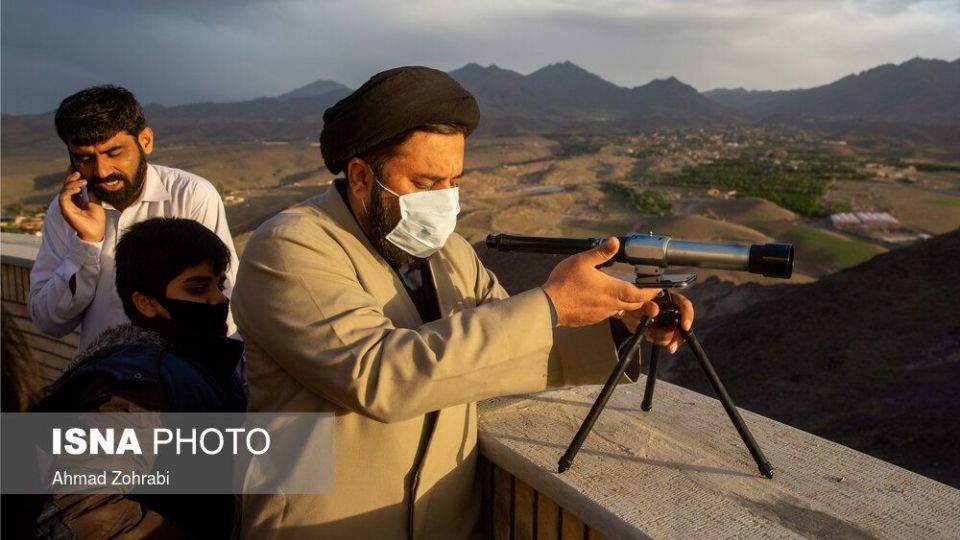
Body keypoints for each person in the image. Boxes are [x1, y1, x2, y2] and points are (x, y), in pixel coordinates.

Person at [233, 66, 693, 539]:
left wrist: (620, 323)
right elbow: (378, 377)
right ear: (361, 176)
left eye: (454, 180)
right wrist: (552, 303)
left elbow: (513, 348)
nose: (444, 200)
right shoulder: (290, 248)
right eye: (425, 182)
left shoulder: (450, 253)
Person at [33, 217, 246, 539]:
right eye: (197, 289)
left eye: (219, 284)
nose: (217, 300)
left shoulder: (188, 362)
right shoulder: (139, 385)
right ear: (147, 303)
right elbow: (80, 505)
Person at [29, 85, 239, 352]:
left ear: (146, 141)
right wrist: (87, 243)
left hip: (180, 370)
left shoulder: (190, 195)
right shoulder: (65, 211)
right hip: (101, 372)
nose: (102, 171)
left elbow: (224, 303)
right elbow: (49, 322)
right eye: (85, 158)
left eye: (114, 153)